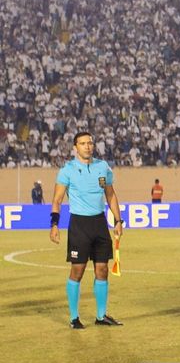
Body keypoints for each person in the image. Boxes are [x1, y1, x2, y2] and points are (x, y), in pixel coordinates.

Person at [50, 131, 124, 329]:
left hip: (99, 224)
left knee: (102, 269)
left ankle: (101, 316)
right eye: (83, 143)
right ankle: (74, 318)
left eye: (90, 143)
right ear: (75, 147)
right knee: (78, 270)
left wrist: (118, 220)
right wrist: (54, 224)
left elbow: (111, 195)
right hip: (79, 225)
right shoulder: (68, 170)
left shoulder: (103, 167)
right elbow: (57, 199)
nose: (88, 146)